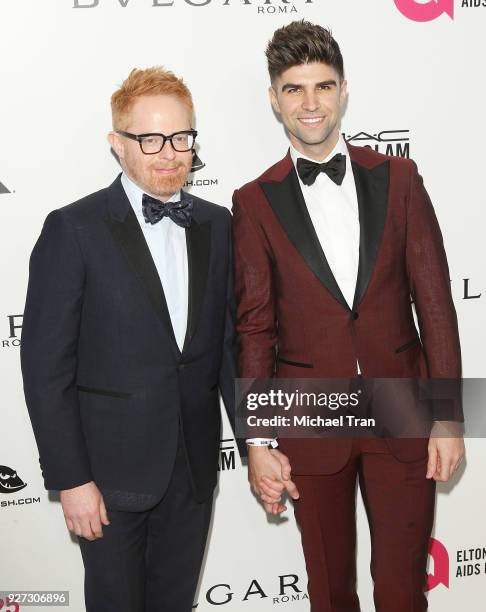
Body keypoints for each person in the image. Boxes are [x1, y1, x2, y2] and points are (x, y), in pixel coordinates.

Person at [232, 21, 465, 612]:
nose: (310, 104)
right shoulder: (254, 202)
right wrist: (257, 438)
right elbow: (255, 327)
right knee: (331, 591)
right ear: (273, 98)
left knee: (402, 587)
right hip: (309, 416)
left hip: (401, 409)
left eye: (323, 86)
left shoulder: (400, 179)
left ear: (343, 90)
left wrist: (449, 418)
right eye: (294, 89)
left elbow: (435, 304)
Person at [21, 66, 239, 612]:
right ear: (117, 144)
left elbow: (230, 350)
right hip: (108, 480)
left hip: (191, 473)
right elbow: (46, 369)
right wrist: (71, 480)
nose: (169, 153)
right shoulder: (73, 229)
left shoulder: (219, 225)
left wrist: (258, 442)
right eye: (150, 139)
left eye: (182, 138)